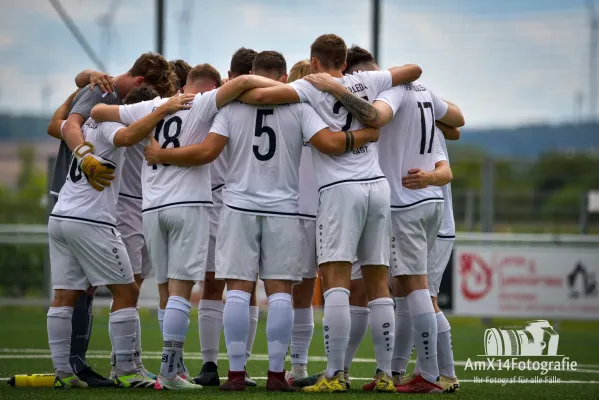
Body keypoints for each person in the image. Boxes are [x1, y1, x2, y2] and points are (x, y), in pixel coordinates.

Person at [142, 50, 380, 392]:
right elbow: (328, 144)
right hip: (284, 208)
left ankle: (236, 374)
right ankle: (276, 374)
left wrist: (162, 155)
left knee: (238, 289)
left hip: (237, 206)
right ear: (285, 79)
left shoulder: (232, 108)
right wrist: (366, 136)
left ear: (251, 75)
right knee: (280, 291)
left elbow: (207, 153)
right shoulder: (299, 106)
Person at [238, 34, 422, 393]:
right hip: (378, 187)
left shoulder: (309, 87)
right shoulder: (369, 79)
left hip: (340, 191)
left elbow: (260, 96)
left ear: (314, 60)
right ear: (344, 60)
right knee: (377, 282)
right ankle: (385, 375)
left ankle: (336, 374)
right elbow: (414, 70)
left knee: (335, 280)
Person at [91, 63, 282, 390]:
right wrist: (292, 89)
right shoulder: (205, 103)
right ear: (207, 87)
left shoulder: (152, 105)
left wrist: (159, 110)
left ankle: (174, 368)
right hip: (187, 206)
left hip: (151, 208)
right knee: (180, 292)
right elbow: (244, 83)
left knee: (166, 293)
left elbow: (97, 110)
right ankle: (169, 372)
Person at [319, 45, 463, 393]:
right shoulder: (422, 92)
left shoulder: (392, 92)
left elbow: (375, 117)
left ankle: (429, 375)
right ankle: (402, 371)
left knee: (415, 288)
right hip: (430, 205)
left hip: (406, 202)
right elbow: (456, 122)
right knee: (408, 289)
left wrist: (334, 89)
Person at [47, 86, 191, 389]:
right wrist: (163, 109)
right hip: (91, 220)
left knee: (64, 296)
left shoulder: (82, 124)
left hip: (61, 216)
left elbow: (55, 123)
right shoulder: (109, 124)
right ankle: (126, 369)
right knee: (126, 292)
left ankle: (62, 372)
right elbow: (126, 137)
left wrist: (80, 88)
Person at [194, 47, 260, 388]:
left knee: (228, 285)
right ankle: (222, 365)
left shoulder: (225, 104)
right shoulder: (217, 104)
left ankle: (225, 365)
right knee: (235, 287)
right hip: (230, 202)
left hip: (230, 203)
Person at [400, 121, 461, 393]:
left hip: (434, 224)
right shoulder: (425, 120)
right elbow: (455, 127)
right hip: (432, 222)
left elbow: (446, 171)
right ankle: (419, 370)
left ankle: (445, 374)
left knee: (427, 297)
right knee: (414, 296)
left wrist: (426, 178)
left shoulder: (421, 125)